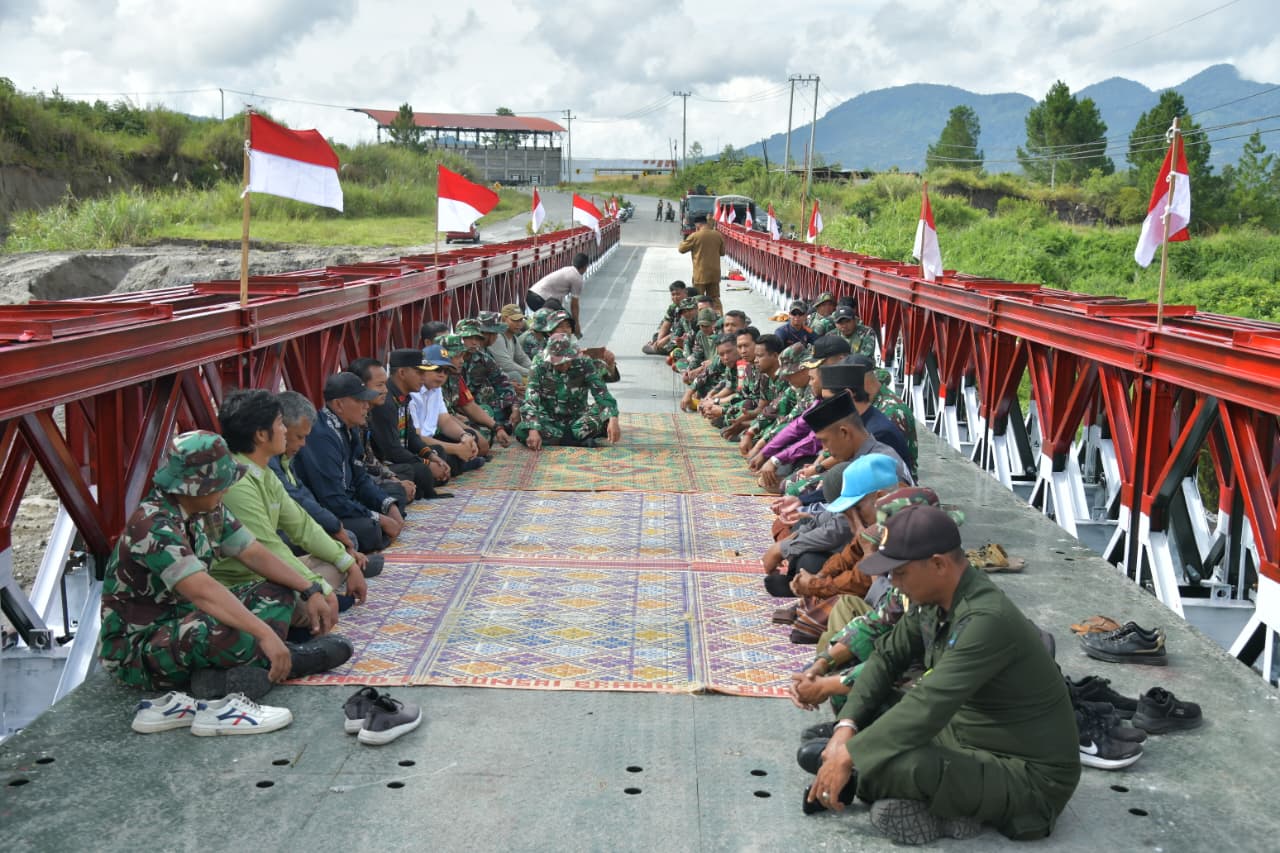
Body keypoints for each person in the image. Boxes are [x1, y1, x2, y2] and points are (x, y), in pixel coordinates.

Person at [806, 504, 1080, 844]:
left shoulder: (987, 620)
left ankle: (904, 795)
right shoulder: (934, 599)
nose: (894, 583)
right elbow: (887, 657)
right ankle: (871, 775)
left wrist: (848, 755)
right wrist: (846, 730)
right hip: (965, 735)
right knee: (867, 713)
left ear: (938, 564)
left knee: (902, 766)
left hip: (1027, 777)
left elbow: (928, 703)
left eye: (900, 573)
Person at [98, 431, 352, 702]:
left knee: (279, 590)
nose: (227, 490)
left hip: (188, 617)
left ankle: (228, 674)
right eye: (222, 484)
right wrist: (264, 633)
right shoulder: (153, 526)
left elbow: (253, 553)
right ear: (196, 487)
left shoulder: (207, 509)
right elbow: (202, 591)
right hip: (138, 648)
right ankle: (289, 659)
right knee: (210, 632)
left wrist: (309, 589)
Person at [213, 390, 372, 624]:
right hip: (242, 582)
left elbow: (302, 525)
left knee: (338, 560)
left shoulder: (264, 472)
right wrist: (315, 587)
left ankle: (313, 604)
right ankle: (301, 621)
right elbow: (267, 550)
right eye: (280, 424)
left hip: (266, 572)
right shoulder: (238, 483)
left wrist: (349, 565)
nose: (285, 431)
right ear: (261, 435)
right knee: (288, 598)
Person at [294, 372, 404, 554]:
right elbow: (332, 499)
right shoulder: (321, 436)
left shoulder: (349, 428)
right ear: (339, 405)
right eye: (360, 401)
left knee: (394, 495)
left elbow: (361, 478)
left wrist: (388, 505)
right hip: (327, 508)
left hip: (347, 500)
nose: (366, 406)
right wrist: (378, 518)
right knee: (369, 530)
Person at [269, 391, 370, 575]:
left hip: (296, 525)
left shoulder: (281, 458)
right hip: (275, 537)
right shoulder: (264, 463)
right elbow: (297, 501)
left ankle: (343, 564)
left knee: (346, 537)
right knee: (348, 537)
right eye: (299, 437)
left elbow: (302, 493)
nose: (303, 444)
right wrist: (333, 528)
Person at [369, 348, 457, 500]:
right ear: (402, 373)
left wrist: (431, 456)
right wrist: (426, 463)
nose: (423, 377)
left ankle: (422, 485)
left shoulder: (403, 397)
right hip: (385, 462)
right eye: (419, 372)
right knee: (418, 470)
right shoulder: (386, 402)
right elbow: (392, 450)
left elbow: (411, 436)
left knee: (438, 452)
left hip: (401, 456)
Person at [516, 334, 620, 450]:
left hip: (579, 419)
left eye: (568, 361)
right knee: (521, 430)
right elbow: (531, 398)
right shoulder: (539, 364)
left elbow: (601, 393)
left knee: (602, 412)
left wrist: (613, 418)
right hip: (549, 419)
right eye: (559, 363)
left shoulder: (584, 362)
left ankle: (566, 438)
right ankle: (577, 440)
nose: (565, 365)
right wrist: (533, 429)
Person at [345, 357, 418, 510]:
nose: (385, 390)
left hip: (368, 474)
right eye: (379, 385)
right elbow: (361, 468)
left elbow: (370, 459)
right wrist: (395, 484)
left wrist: (394, 479)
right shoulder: (352, 418)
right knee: (400, 488)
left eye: (385, 384)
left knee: (406, 473)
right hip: (353, 482)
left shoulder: (367, 414)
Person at [528, 252, 589, 333]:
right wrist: (576, 324)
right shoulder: (577, 278)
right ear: (585, 267)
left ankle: (539, 334)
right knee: (564, 321)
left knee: (547, 321)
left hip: (531, 295)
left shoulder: (567, 269)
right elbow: (574, 305)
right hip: (541, 298)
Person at [677, 213, 726, 311]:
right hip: (715, 273)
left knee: (698, 298)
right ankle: (718, 317)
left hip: (700, 273)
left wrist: (692, 236)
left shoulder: (695, 236)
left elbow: (681, 249)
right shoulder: (718, 235)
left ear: (698, 224)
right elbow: (722, 252)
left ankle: (700, 317)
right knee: (714, 298)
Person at [490, 304, 533, 383]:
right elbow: (506, 366)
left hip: (503, 376)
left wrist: (534, 369)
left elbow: (522, 358)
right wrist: (531, 373)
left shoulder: (513, 337)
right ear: (504, 319)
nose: (519, 324)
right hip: (493, 378)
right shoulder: (498, 337)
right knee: (515, 376)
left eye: (521, 320)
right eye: (515, 320)